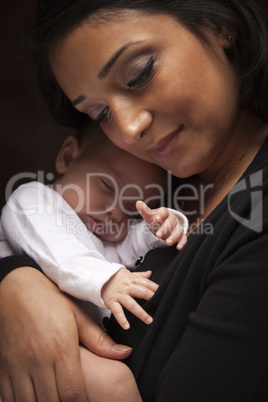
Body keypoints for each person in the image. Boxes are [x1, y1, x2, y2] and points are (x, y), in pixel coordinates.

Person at [0, 0, 268, 401]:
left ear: (217, 23)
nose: (127, 130)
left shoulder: (249, 214)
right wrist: (16, 283)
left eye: (139, 74)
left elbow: (135, 240)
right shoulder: (168, 176)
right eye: (101, 113)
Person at [0, 120, 188, 331]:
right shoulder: (32, 200)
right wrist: (106, 280)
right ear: (68, 157)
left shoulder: (103, 240)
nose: (116, 213)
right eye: (108, 186)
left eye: (132, 211)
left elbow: (130, 248)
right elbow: (56, 247)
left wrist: (158, 228)